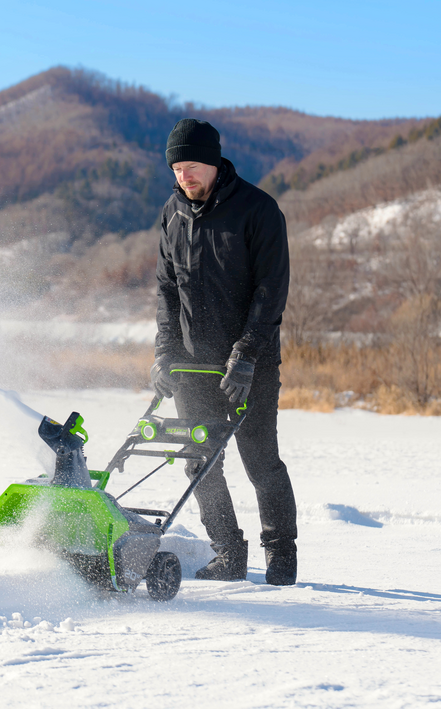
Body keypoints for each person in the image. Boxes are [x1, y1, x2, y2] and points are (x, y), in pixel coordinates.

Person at [151, 118, 297, 586]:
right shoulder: (172, 215)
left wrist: (248, 353)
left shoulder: (258, 210)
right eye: (176, 168)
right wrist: (163, 353)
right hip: (191, 364)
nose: (184, 176)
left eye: (192, 166)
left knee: (259, 460)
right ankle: (228, 553)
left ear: (213, 163)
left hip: (248, 366)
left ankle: (281, 558)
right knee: (199, 461)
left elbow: (271, 291)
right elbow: (167, 291)